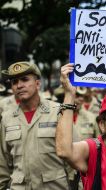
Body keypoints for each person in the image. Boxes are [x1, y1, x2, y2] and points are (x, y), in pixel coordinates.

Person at [0, 61, 73, 189]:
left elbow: (75, 153)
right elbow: (2, 163)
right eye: (14, 82)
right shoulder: (7, 118)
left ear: (38, 83)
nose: (19, 85)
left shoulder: (58, 111)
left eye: (24, 79)